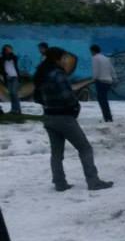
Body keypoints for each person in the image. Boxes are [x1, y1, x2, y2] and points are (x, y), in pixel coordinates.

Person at [36, 47, 113, 192]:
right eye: (64, 58)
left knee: (56, 153)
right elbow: (67, 97)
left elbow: (37, 97)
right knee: (85, 148)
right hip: (64, 117)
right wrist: (75, 106)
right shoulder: (58, 75)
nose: (66, 61)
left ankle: (60, 183)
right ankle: (93, 181)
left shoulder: (42, 74)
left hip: (48, 116)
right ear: (57, 59)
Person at [90, 45, 116, 123]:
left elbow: (96, 70)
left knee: (102, 100)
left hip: (100, 81)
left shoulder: (95, 58)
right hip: (108, 81)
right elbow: (112, 69)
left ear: (93, 51)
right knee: (104, 100)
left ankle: (107, 118)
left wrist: (93, 79)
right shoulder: (106, 58)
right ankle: (108, 117)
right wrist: (114, 78)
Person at [1, 44, 21, 115]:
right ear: (5, 50)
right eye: (8, 49)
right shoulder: (2, 59)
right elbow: (2, 68)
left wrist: (10, 52)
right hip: (8, 78)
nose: (10, 50)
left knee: (14, 93)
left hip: (15, 77)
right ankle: (13, 109)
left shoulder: (13, 57)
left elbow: (12, 57)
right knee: (11, 94)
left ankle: (18, 110)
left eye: (10, 49)